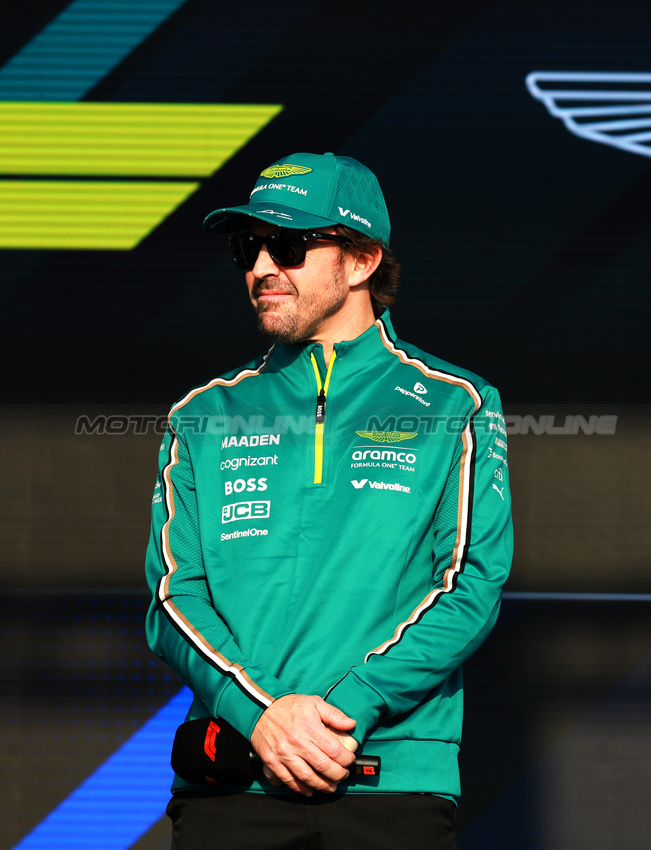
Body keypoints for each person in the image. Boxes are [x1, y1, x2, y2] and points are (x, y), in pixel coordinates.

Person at [144, 152, 512, 849]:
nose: (260, 267)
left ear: (364, 259)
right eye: (246, 247)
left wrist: (344, 709)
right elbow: (170, 598)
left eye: (286, 245)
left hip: (389, 778)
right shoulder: (201, 413)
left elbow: (470, 585)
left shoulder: (454, 402)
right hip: (231, 780)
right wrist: (261, 716)